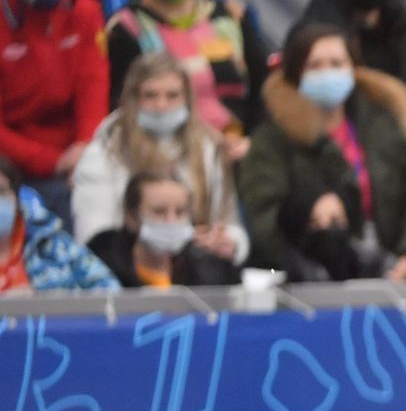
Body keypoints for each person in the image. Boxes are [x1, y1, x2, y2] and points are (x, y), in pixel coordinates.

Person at [238, 23, 406, 279]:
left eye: (336, 63)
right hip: (310, 279)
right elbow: (263, 221)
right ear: (294, 74)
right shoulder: (271, 140)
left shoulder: (383, 125)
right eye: (315, 65)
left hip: (393, 272)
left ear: (353, 69)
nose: (327, 73)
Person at [105, 0, 273, 159]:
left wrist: (254, 144)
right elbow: (125, 112)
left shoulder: (232, 16)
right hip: (168, 156)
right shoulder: (126, 29)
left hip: (244, 153)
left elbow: (265, 89)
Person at [71, 52, 248, 262]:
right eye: (151, 95)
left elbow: (230, 222)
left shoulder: (208, 148)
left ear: (187, 99)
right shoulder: (104, 153)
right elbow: (94, 238)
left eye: (172, 96)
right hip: (125, 273)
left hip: (197, 271)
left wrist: (229, 243)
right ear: (133, 99)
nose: (161, 105)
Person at [0, 0, 107, 228]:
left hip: (76, 151)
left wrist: (85, 149)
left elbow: (93, 88)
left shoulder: (85, 12)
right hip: (16, 157)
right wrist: (53, 162)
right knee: (61, 198)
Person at [85, 171, 241, 289]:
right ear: (131, 217)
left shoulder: (207, 267)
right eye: (159, 212)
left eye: (180, 212)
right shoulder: (102, 265)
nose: (171, 221)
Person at [0, 158, 117, 292]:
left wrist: (39, 302)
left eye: (1, 191)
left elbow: (110, 290)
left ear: (17, 198)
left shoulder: (52, 242)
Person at [274, 186, 384, 283]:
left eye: (335, 222)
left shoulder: (374, 266)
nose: (325, 229)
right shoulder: (280, 287)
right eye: (314, 223)